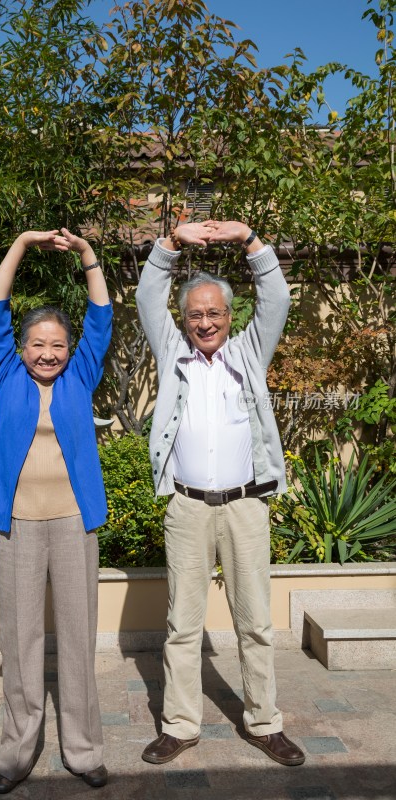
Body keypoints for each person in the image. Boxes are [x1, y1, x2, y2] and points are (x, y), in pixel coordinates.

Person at [135, 220, 305, 768]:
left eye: (215, 313)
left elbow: (276, 294)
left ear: (231, 317)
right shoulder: (173, 353)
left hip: (245, 505)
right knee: (182, 626)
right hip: (186, 506)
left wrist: (247, 238)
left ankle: (263, 721)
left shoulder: (250, 352)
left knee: (255, 621)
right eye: (195, 314)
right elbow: (146, 294)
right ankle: (181, 726)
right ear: (183, 321)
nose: (205, 322)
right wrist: (172, 243)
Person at [0, 228, 112, 794]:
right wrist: (22, 246)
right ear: (21, 348)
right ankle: (16, 752)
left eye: (57, 344)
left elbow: (101, 313)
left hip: (75, 522)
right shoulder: (4, 374)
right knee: (20, 639)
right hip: (17, 525)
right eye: (38, 344)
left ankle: (83, 750)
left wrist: (85, 254)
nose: (48, 353)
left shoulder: (81, 375)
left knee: (77, 639)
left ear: (69, 349)